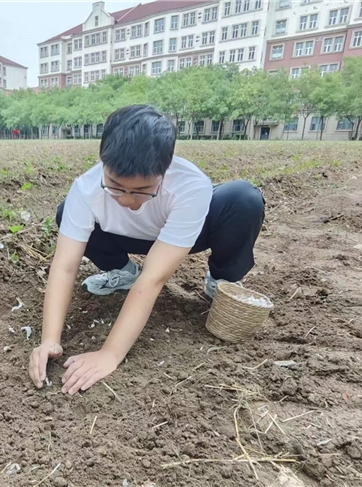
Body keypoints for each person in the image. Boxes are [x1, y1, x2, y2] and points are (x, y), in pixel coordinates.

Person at [28, 105, 265, 395]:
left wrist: (110, 354)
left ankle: (223, 280)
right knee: (67, 213)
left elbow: (152, 280)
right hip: (124, 236)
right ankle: (122, 271)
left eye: (141, 190)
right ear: (103, 162)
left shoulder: (191, 185)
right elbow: (64, 267)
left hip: (184, 234)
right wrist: (49, 339)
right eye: (115, 187)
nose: (127, 200)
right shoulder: (86, 188)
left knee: (243, 199)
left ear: (164, 171)